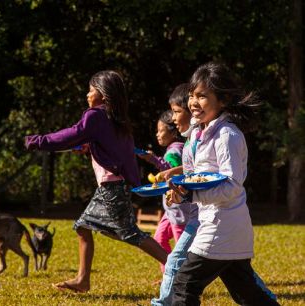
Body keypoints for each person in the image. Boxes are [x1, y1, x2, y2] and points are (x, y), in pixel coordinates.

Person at [24, 70, 168, 293]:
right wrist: (89, 147)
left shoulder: (95, 116)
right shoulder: (115, 118)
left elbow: (72, 133)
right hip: (113, 185)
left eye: (91, 89)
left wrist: (38, 141)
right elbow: (113, 148)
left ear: (103, 94)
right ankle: (83, 280)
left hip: (111, 187)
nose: (87, 94)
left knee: (130, 233)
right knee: (83, 227)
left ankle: (175, 267)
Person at [167, 62, 279, 305]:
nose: (193, 102)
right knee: (247, 293)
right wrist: (181, 189)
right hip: (222, 225)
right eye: (191, 96)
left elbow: (231, 186)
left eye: (202, 96)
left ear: (223, 100)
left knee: (184, 285)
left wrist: (191, 196)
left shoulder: (227, 135)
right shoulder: (200, 132)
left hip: (221, 226)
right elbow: (199, 176)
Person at [138, 108, 196, 273]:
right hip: (170, 211)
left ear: (172, 132)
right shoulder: (177, 148)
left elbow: (172, 170)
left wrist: (153, 160)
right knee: (159, 238)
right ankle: (168, 275)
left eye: (160, 130)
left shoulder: (174, 151)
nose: (157, 134)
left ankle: (178, 276)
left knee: (180, 247)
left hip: (179, 211)